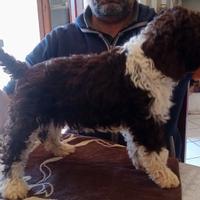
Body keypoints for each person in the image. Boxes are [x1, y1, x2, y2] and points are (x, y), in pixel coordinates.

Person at [4, 0, 190, 160]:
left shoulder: (172, 29)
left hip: (160, 152)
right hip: (85, 159)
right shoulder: (58, 39)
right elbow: (13, 90)